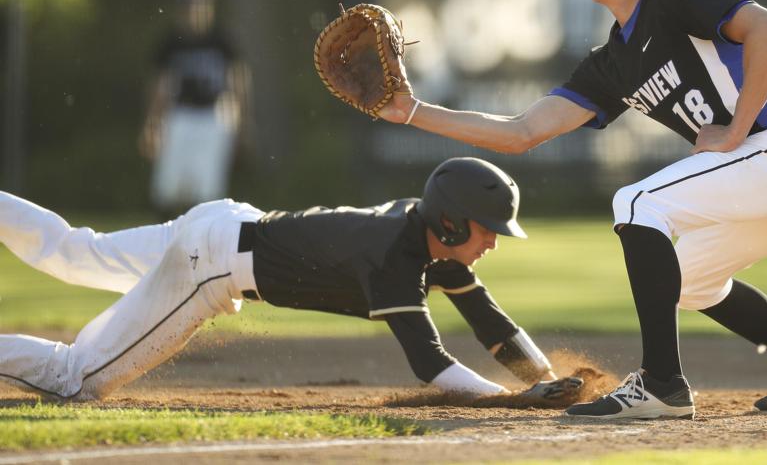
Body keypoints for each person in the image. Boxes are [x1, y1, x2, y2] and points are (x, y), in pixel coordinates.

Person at [376, 0, 767, 419]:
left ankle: (661, 385)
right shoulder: (611, 63)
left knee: (635, 201)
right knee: (690, 280)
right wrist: (411, 111)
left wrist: (737, 129)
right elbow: (521, 133)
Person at [0, 157, 562, 401]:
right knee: (76, 379)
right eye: (488, 229)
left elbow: (490, 322)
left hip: (225, 224)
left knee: (78, 252)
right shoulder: (393, 257)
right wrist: (514, 400)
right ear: (449, 220)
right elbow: (430, 363)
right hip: (212, 264)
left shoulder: (426, 233)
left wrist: (546, 378)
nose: (492, 241)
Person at [139, 0, 250, 215]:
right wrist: (151, 123)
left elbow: (237, 82)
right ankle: (170, 235)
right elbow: (159, 87)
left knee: (208, 190)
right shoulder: (171, 43)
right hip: (180, 116)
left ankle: (204, 242)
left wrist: (242, 124)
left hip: (214, 115)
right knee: (169, 188)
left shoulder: (222, 40)